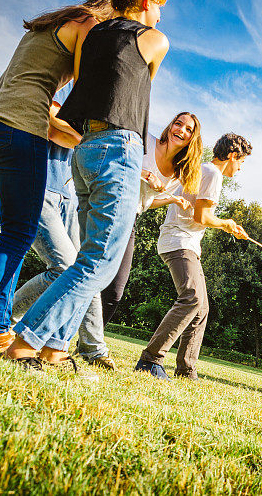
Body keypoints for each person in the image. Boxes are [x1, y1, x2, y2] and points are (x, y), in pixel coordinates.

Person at [4, 0, 170, 376]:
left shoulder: (93, 33)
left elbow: (85, 86)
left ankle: (56, 349)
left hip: (84, 149)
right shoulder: (155, 40)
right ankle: (26, 342)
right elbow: (137, 89)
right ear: (148, 2)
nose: (162, 16)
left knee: (87, 257)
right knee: (100, 261)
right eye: (160, 7)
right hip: (119, 147)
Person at [0, 0, 112, 353]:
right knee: (18, 236)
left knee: (13, 235)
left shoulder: (48, 26)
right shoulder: (89, 24)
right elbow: (87, 87)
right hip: (21, 129)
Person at [75, 112, 202, 366]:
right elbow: (116, 163)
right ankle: (75, 342)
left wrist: (170, 197)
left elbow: (147, 201)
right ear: (170, 125)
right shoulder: (145, 142)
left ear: (192, 139)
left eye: (189, 130)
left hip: (129, 217)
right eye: (178, 124)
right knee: (81, 272)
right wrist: (142, 174)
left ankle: (86, 345)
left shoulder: (177, 174)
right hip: (104, 204)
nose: (181, 130)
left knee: (115, 290)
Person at [134, 133, 252, 380]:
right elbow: (202, 217)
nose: (240, 167)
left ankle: (186, 370)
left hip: (183, 242)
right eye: (241, 162)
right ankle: (150, 360)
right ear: (232, 156)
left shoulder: (202, 170)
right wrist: (227, 224)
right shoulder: (213, 174)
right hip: (180, 242)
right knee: (192, 298)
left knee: (201, 307)